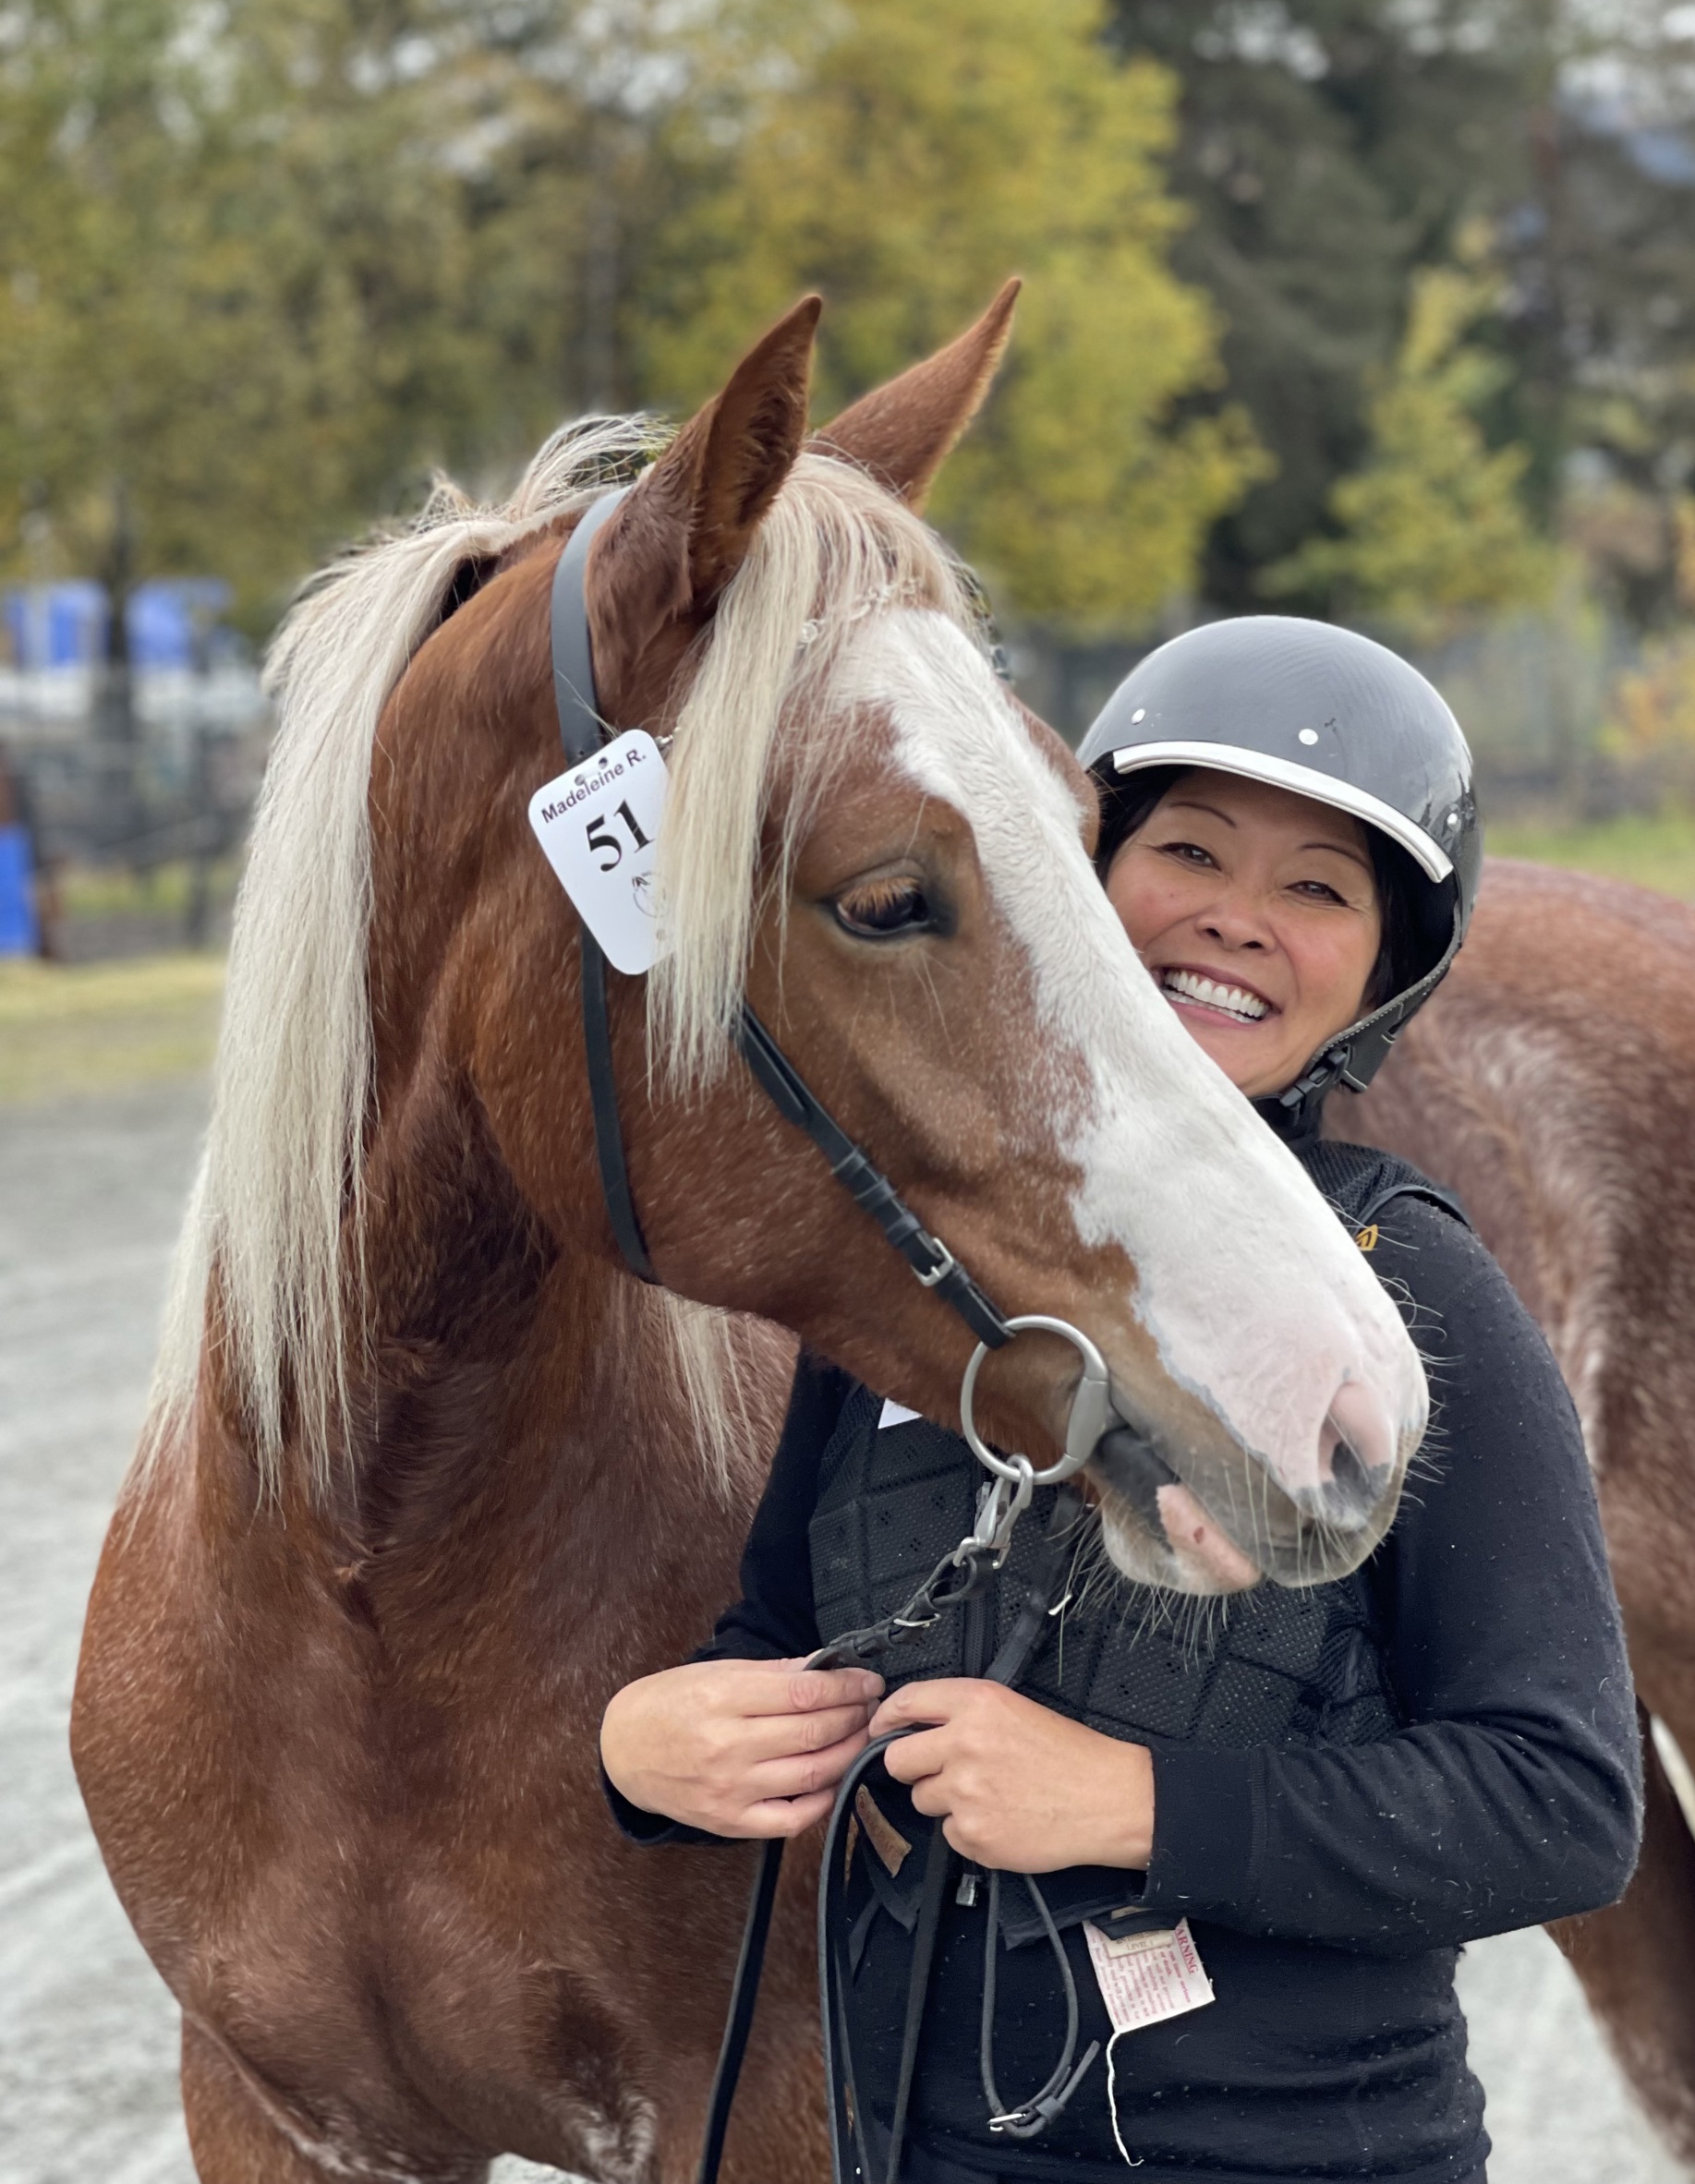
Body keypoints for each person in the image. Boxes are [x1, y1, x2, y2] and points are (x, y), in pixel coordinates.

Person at [599, 617, 1641, 2184]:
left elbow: (1561, 1801)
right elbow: (785, 1642)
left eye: (1316, 889)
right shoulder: (921, 1272)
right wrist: (642, 1755)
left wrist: (1139, 1804)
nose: (1234, 920)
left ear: (1382, 966)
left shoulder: (1406, 1295)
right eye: (1193, 854)